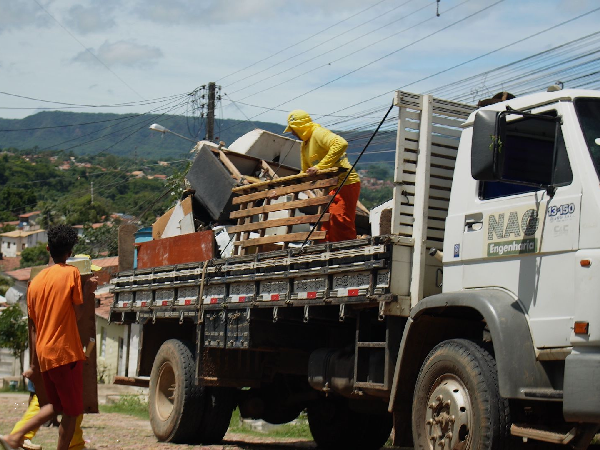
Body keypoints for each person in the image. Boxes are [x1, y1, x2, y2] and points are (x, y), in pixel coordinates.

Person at [1, 225, 88, 450]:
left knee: (54, 406)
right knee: (72, 412)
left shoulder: (35, 283)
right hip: (65, 353)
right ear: (70, 252)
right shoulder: (71, 273)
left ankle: (16, 435)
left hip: (44, 355)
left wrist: (33, 363)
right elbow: (77, 314)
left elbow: (33, 326)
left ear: (48, 248)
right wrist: (88, 292)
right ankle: (17, 436)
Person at [284, 109, 361, 242]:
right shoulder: (305, 145)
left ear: (300, 127)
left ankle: (346, 251)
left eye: (294, 129)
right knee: (327, 222)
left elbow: (341, 144)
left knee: (340, 220)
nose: (293, 133)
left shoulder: (318, 133)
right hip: (330, 187)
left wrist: (319, 167)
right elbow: (306, 170)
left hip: (346, 182)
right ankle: (325, 250)